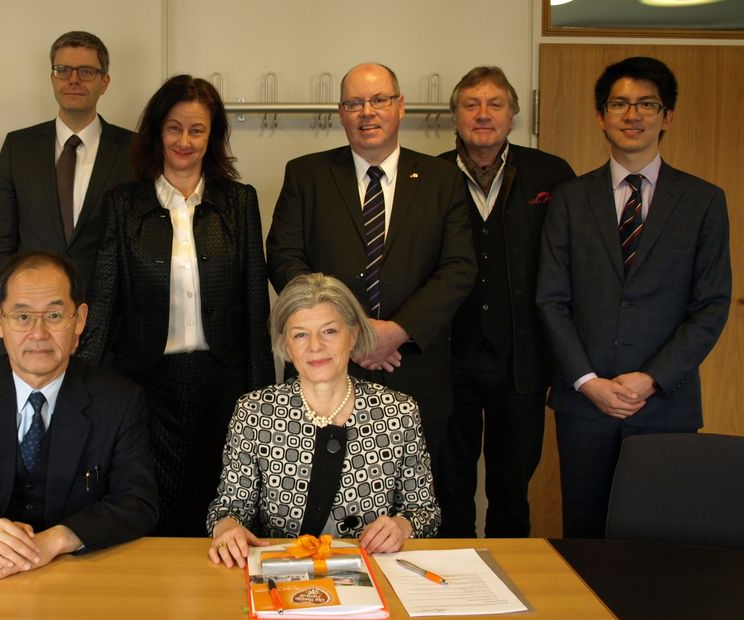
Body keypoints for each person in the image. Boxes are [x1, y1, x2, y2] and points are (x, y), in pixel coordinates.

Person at [536, 56, 731, 538]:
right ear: (600, 116)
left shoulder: (704, 200)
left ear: (667, 117)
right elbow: (551, 299)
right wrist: (587, 381)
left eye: (647, 104)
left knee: (660, 538)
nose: (633, 114)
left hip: (665, 403)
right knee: (584, 533)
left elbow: (710, 307)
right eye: (619, 103)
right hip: (586, 404)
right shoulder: (570, 198)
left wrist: (651, 378)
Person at [81, 75, 274, 536]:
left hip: (223, 380)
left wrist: (264, 395)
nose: (184, 141)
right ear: (156, 132)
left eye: (197, 130)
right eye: (174, 128)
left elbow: (253, 304)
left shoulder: (239, 202)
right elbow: (105, 298)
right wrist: (81, 385)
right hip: (146, 382)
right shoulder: (123, 204)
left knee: (221, 501)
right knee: (152, 504)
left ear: (213, 136)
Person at [266, 62, 476, 476]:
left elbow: (458, 267)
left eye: (379, 100)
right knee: (313, 505)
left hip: (414, 371)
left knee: (409, 512)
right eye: (354, 103)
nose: (367, 112)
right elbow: (284, 258)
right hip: (322, 371)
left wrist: (399, 330)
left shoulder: (442, 178)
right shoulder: (306, 174)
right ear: (341, 112)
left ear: (401, 107)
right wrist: (352, 330)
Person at [0, 252, 157, 581]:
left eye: (54, 315)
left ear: (79, 320)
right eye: (22, 317)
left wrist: (57, 539)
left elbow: (138, 502)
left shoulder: (119, 400)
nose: (38, 333)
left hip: (79, 578)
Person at [207, 273, 439, 568]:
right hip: (282, 577)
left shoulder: (399, 412)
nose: (315, 346)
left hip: (375, 573)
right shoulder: (255, 412)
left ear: (353, 335)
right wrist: (227, 528)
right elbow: (228, 508)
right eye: (300, 334)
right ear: (286, 346)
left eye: (329, 331)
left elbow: (425, 512)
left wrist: (403, 527)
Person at [437, 66, 574, 538]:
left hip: (522, 363)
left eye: (495, 104)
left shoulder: (551, 174)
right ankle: (450, 593)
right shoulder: (428, 175)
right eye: (471, 104)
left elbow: (571, 267)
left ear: (514, 114)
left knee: (512, 491)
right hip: (447, 360)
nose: (483, 114)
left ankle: (505, 594)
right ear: (454, 116)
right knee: (447, 488)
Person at [0, 31, 134, 294]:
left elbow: (141, 248)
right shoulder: (18, 148)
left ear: (105, 82)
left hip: (111, 321)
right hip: (33, 317)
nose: (73, 80)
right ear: (52, 78)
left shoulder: (133, 150)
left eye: (86, 71)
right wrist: (20, 307)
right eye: (63, 70)